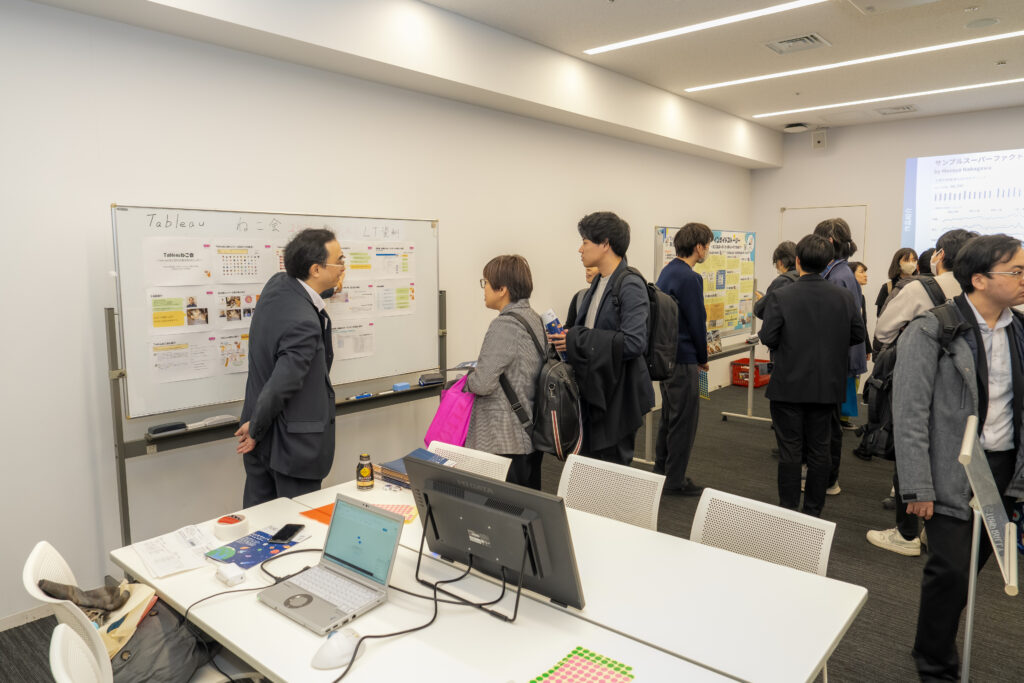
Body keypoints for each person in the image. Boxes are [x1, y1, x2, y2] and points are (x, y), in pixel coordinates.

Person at [893, 234, 1024, 681]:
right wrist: (917, 486)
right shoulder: (932, 328)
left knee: (973, 568)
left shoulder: (1019, 331)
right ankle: (934, 663)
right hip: (950, 468)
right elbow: (909, 412)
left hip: (1003, 468)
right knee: (949, 569)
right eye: (1016, 271)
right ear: (980, 279)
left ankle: (931, 639)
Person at [865, 229, 977, 557]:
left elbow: (883, 330)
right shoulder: (980, 291)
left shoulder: (920, 288)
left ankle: (906, 533)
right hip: (965, 389)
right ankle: (934, 530)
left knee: (912, 443)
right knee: (954, 454)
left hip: (920, 378)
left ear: (939, 255)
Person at [235, 228, 345, 507]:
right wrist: (256, 429)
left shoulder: (277, 285)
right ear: (316, 269)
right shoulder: (304, 323)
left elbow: (307, 293)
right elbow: (282, 384)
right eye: (340, 261)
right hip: (291, 449)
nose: (344, 267)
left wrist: (331, 287)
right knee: (295, 524)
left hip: (263, 442)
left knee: (260, 520)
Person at [758, 235, 865, 517]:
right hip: (826, 386)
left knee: (790, 450)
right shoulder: (843, 297)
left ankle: (788, 509)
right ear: (828, 262)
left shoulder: (782, 296)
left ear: (797, 261)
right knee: (820, 450)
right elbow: (857, 335)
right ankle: (813, 512)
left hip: (788, 386)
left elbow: (768, 336)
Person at [550, 211, 654, 465]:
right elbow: (591, 330)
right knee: (590, 465)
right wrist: (567, 336)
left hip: (618, 396)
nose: (580, 249)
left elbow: (634, 342)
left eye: (585, 242)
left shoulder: (630, 284)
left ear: (605, 243)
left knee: (611, 469)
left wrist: (578, 338)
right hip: (597, 389)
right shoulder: (599, 283)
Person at [464, 255, 546, 489]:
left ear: (502, 290)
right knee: (526, 504)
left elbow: (482, 383)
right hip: (527, 432)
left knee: (500, 507)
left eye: (486, 283)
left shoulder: (504, 324)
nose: (484, 289)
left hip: (504, 440)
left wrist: (467, 380)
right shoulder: (533, 318)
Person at [654, 222, 713, 496]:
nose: (707, 250)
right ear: (698, 247)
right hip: (684, 358)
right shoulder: (690, 278)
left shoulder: (667, 271)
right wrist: (703, 357)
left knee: (669, 418)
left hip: (666, 358)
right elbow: (697, 321)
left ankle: (661, 471)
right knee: (684, 422)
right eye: (707, 245)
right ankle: (675, 480)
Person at [814, 218, 866, 493]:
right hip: (838, 358)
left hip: (835, 360)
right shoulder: (841, 272)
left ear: (829, 242)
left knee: (829, 424)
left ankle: (828, 479)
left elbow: (841, 326)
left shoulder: (837, 276)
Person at [752, 241, 798, 320]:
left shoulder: (782, 281)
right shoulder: (804, 277)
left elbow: (762, 310)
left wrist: (761, 301)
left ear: (780, 263)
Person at [875, 247, 919, 316]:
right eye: (906, 260)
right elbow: (880, 315)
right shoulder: (887, 287)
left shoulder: (919, 285)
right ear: (898, 262)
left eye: (913, 260)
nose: (911, 263)